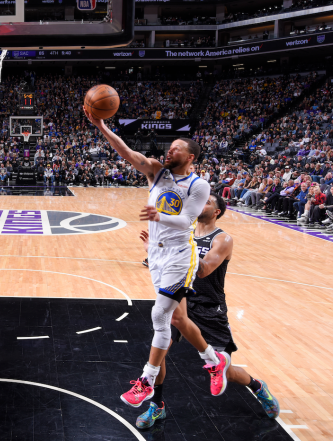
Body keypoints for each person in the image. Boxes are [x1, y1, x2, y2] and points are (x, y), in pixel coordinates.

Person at [83, 106, 226, 408]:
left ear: (190, 157)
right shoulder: (156, 172)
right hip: (158, 256)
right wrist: (100, 125)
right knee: (176, 317)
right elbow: (127, 153)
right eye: (170, 147)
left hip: (180, 257)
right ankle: (213, 362)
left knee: (159, 316)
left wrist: (157, 217)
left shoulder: (199, 185)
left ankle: (146, 381)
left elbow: (188, 221)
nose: (170, 150)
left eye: (176, 149)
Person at [136, 194, 280, 429]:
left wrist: (174, 248)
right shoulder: (186, 232)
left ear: (216, 212)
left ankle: (257, 387)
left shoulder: (222, 239)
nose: (201, 203)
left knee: (226, 370)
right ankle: (157, 406)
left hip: (209, 309)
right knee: (159, 353)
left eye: (208, 202)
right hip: (181, 301)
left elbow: (202, 270)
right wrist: (154, 251)